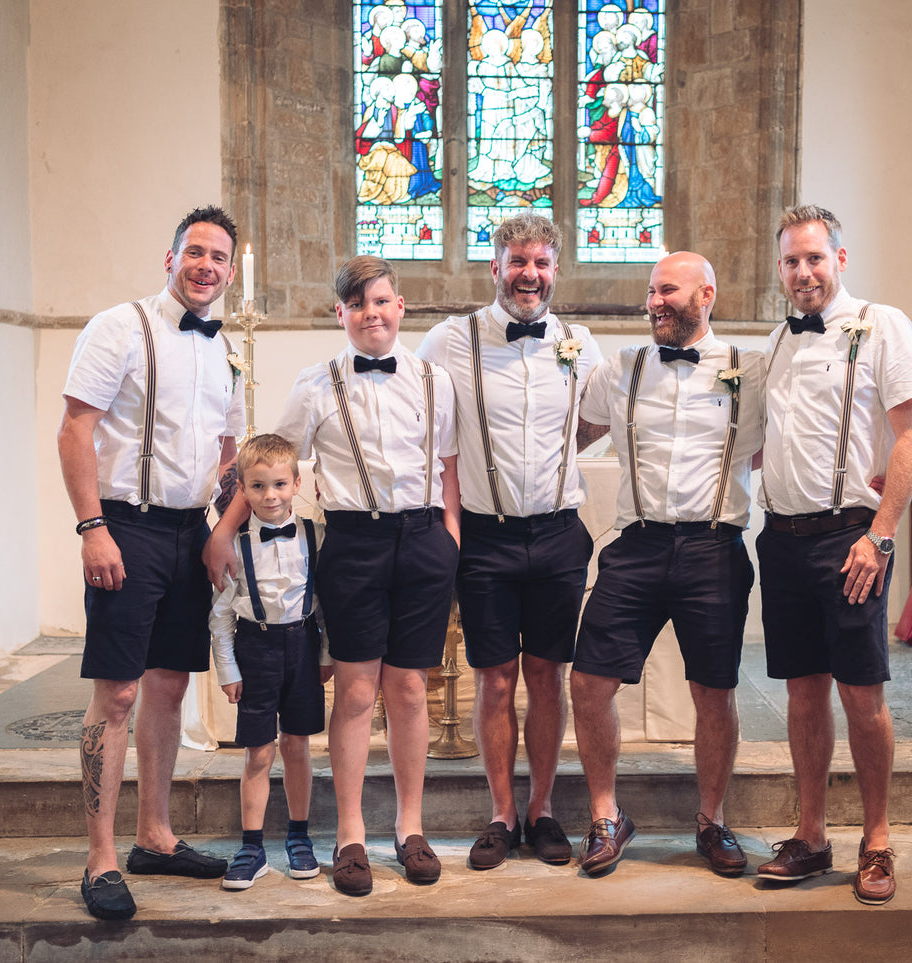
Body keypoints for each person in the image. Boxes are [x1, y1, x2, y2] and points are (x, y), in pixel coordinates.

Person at [208, 255, 459, 897]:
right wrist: (225, 530)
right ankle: (350, 834)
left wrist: (449, 538)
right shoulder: (315, 383)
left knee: (409, 690)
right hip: (353, 544)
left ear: (399, 307)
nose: (371, 314)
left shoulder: (436, 379)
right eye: (357, 305)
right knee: (353, 692)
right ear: (340, 314)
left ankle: (410, 829)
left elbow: (449, 465)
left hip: (423, 541)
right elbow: (270, 462)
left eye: (381, 301)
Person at [58, 205, 244, 921]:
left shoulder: (224, 350)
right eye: (195, 252)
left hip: (188, 532)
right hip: (125, 527)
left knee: (169, 687)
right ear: (170, 259)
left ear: (230, 272)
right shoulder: (118, 327)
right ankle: (101, 856)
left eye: (218, 257)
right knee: (118, 694)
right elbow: (74, 430)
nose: (206, 266)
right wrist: (92, 528)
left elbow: (227, 454)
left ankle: (155, 837)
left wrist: (223, 529)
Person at [755, 204, 912, 904]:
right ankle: (811, 834)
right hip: (781, 539)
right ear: (779, 269)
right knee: (802, 693)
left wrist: (879, 536)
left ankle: (877, 839)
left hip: (849, 539)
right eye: (791, 261)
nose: (803, 272)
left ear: (840, 258)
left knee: (861, 692)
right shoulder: (776, 340)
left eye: (814, 258)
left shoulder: (881, 325)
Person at [570, 251, 765, 877]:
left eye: (668, 291)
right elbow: (572, 436)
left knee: (714, 690)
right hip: (638, 544)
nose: (654, 302)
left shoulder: (751, 370)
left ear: (706, 294)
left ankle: (712, 820)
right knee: (589, 682)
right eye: (651, 291)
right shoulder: (620, 368)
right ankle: (607, 815)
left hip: (714, 547)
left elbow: (775, 448)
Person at [417, 212, 602, 871]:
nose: (530, 274)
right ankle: (501, 813)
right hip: (484, 537)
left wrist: (557, 460)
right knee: (493, 680)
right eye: (517, 261)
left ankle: (541, 808)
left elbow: (595, 418)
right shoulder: (449, 339)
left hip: (557, 533)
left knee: (547, 676)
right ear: (494, 267)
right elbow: (423, 420)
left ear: (555, 271)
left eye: (541, 263)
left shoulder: (580, 343)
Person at [208, 434, 335, 891]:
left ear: (297, 483)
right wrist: (228, 670)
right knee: (259, 752)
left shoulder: (315, 537)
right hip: (255, 651)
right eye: (258, 486)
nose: (271, 495)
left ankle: (299, 837)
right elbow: (221, 616)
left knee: (297, 746)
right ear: (243, 490)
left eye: (280, 484)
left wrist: (325, 655)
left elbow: (324, 605)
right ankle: (252, 846)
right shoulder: (235, 543)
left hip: (303, 649)